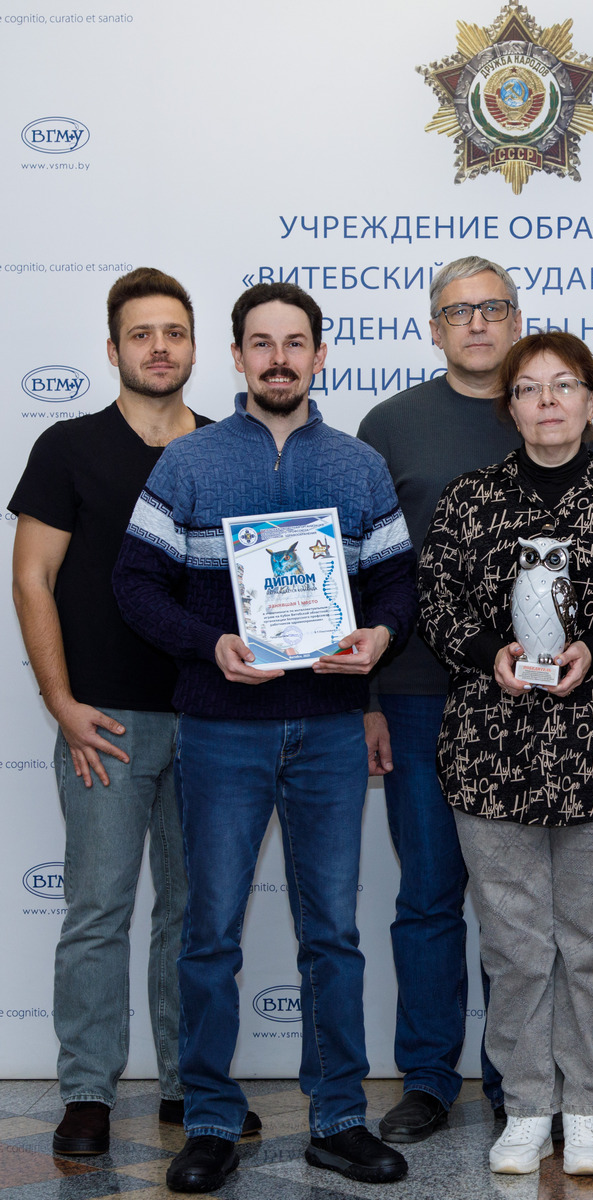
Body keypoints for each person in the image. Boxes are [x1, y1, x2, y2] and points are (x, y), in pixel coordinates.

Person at [113, 282, 417, 1192]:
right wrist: (207, 644)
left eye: (294, 343)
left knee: (333, 934)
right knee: (209, 932)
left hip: (328, 730)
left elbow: (397, 584)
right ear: (238, 356)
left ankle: (339, 1118)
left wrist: (380, 636)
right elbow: (134, 583)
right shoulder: (188, 463)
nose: (278, 358)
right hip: (221, 729)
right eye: (261, 342)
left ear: (320, 355)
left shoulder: (359, 466)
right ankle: (209, 1118)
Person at [418, 330, 593, 1177]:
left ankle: (588, 1107)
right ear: (511, 408)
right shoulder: (469, 501)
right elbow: (438, 605)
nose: (547, 402)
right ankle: (529, 1106)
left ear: (592, 399)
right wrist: (487, 651)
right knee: (516, 948)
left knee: (592, 947)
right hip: (493, 757)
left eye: (563, 385)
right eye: (529, 388)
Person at [8, 268, 235, 1155]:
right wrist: (61, 703)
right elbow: (33, 580)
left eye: (173, 332)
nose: (158, 347)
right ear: (113, 349)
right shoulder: (68, 447)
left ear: (195, 348)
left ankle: (187, 1086)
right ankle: (87, 1095)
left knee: (193, 913)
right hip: (102, 720)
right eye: (141, 334)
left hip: (212, 716)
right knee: (99, 909)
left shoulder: (224, 448)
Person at [356, 256, 522, 1141]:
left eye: (493, 308)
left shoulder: (543, 407)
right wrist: (368, 699)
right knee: (427, 892)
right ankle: (426, 1077)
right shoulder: (389, 425)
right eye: (460, 312)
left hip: (524, 698)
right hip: (416, 690)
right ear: (434, 328)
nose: (478, 323)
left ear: (515, 318)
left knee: (512, 901)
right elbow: (362, 571)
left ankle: (513, 1078)